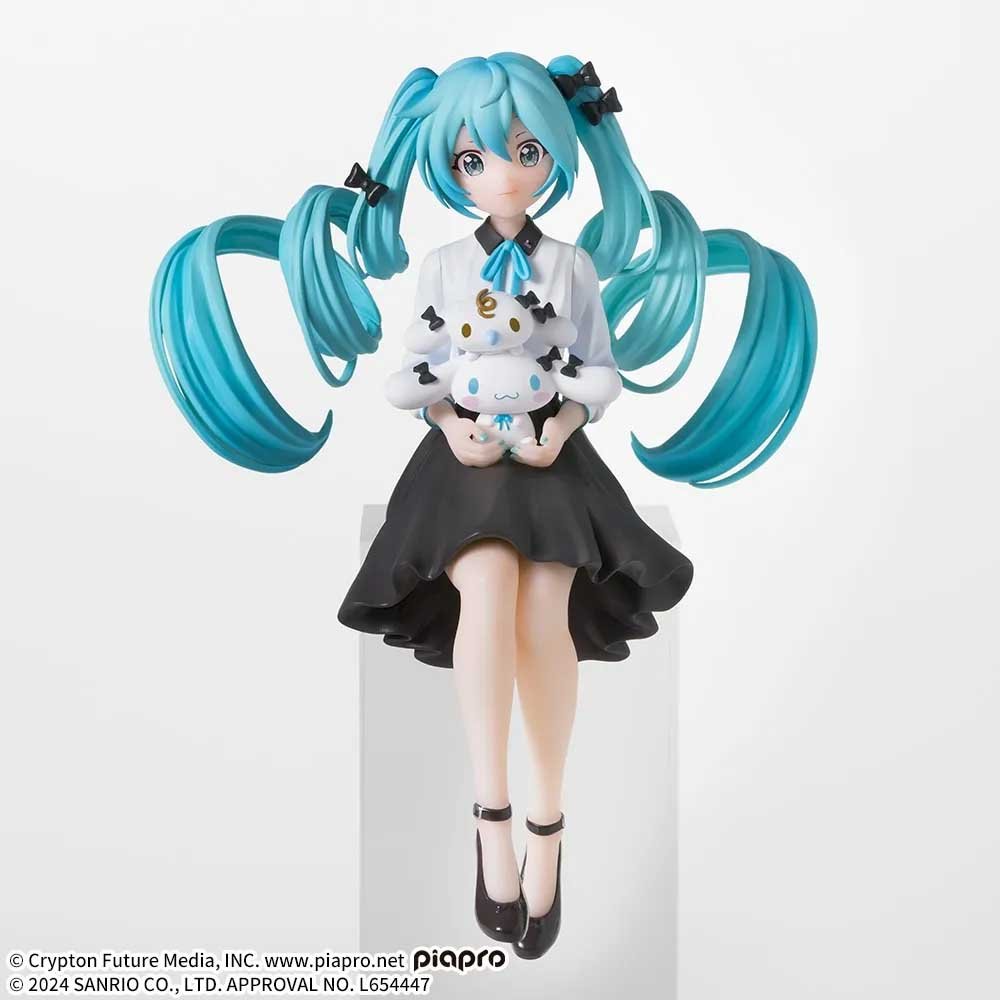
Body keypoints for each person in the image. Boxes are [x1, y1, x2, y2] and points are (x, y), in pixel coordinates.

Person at [150, 52, 816, 960]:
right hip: (463, 458)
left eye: (524, 151)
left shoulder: (573, 265)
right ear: (448, 168)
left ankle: (549, 822)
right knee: (488, 587)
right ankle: (490, 816)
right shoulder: (442, 264)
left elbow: (600, 372)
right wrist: (447, 421)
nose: (501, 174)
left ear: (556, 156)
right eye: (474, 159)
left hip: (551, 457)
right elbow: (419, 371)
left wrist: (564, 421)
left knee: (544, 604)